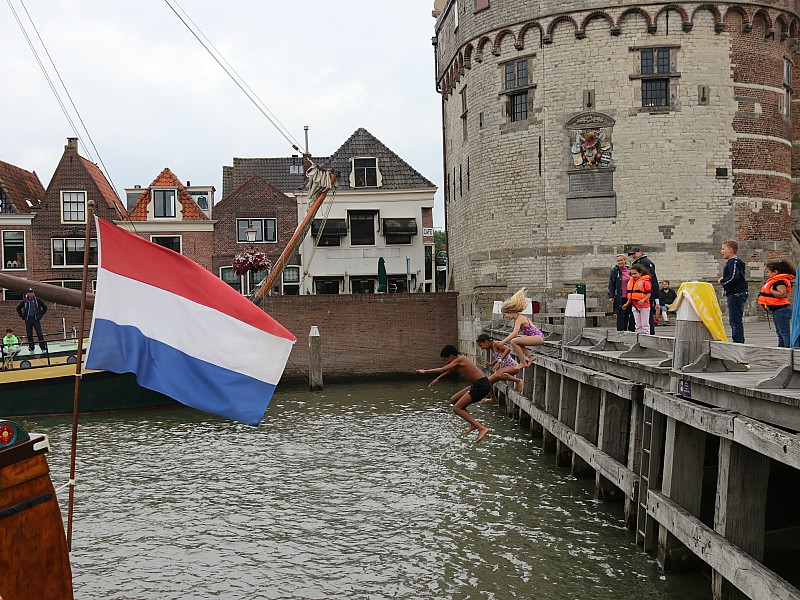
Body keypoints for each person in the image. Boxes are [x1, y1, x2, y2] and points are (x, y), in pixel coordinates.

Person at [416, 344, 491, 442]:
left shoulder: (461, 359)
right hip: (477, 385)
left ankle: (481, 428)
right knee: (454, 400)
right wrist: (438, 379)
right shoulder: (458, 362)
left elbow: (443, 369)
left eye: (446, 359)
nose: (446, 362)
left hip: (481, 385)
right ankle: (473, 424)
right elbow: (450, 370)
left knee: (456, 408)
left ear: (451, 356)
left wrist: (425, 371)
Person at [498, 287, 544, 367]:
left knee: (513, 341)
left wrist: (503, 342)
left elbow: (514, 333)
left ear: (510, 311)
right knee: (518, 343)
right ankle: (531, 356)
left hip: (538, 337)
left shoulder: (520, 318)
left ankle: (523, 362)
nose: (505, 317)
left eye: (505, 315)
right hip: (538, 337)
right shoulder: (520, 318)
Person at [757, 260, 795, 347]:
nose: (767, 274)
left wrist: (771, 291)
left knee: (784, 333)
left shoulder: (780, 281)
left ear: (775, 272)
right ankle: (781, 349)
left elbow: (782, 294)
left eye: (768, 272)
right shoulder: (775, 280)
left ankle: (787, 350)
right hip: (777, 310)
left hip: (782, 310)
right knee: (780, 332)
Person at [719, 240, 748, 344]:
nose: (721, 251)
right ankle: (738, 341)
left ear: (730, 250)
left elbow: (733, 277)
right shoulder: (733, 262)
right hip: (735, 293)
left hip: (736, 294)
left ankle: (738, 342)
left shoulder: (733, 262)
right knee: (734, 320)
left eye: (723, 249)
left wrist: (723, 281)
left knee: (735, 320)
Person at [628, 247, 659, 334]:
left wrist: (656, 298)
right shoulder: (640, 262)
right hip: (637, 298)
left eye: (634, 254)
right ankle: (641, 335)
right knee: (638, 321)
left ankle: (649, 335)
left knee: (646, 320)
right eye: (632, 254)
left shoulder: (645, 262)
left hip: (644, 296)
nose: (633, 256)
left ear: (640, 252)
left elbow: (653, 280)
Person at [622, 264, 652, 334]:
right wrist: (627, 304)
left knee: (645, 324)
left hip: (644, 306)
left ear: (640, 273)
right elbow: (631, 296)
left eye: (635, 274)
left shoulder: (645, 281)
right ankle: (639, 338)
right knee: (638, 325)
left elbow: (649, 294)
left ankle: (646, 337)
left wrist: (643, 300)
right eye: (632, 274)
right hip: (635, 306)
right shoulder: (631, 282)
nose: (633, 276)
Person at [16, 288, 48, 353]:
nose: (31, 294)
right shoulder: (25, 301)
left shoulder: (37, 300)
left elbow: (45, 307)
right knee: (29, 334)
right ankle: (31, 349)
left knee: (39, 333)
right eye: (30, 292)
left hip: (36, 319)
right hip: (28, 319)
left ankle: (43, 348)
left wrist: (40, 315)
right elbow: (18, 308)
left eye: (32, 292)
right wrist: (22, 316)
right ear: (27, 293)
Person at [608, 254, 633, 331]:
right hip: (620, 296)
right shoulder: (615, 271)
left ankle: (629, 331)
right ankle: (620, 332)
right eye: (618, 261)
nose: (619, 262)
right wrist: (611, 295)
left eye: (621, 260)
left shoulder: (630, 270)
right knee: (621, 315)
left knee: (629, 315)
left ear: (625, 261)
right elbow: (611, 283)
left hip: (630, 297)